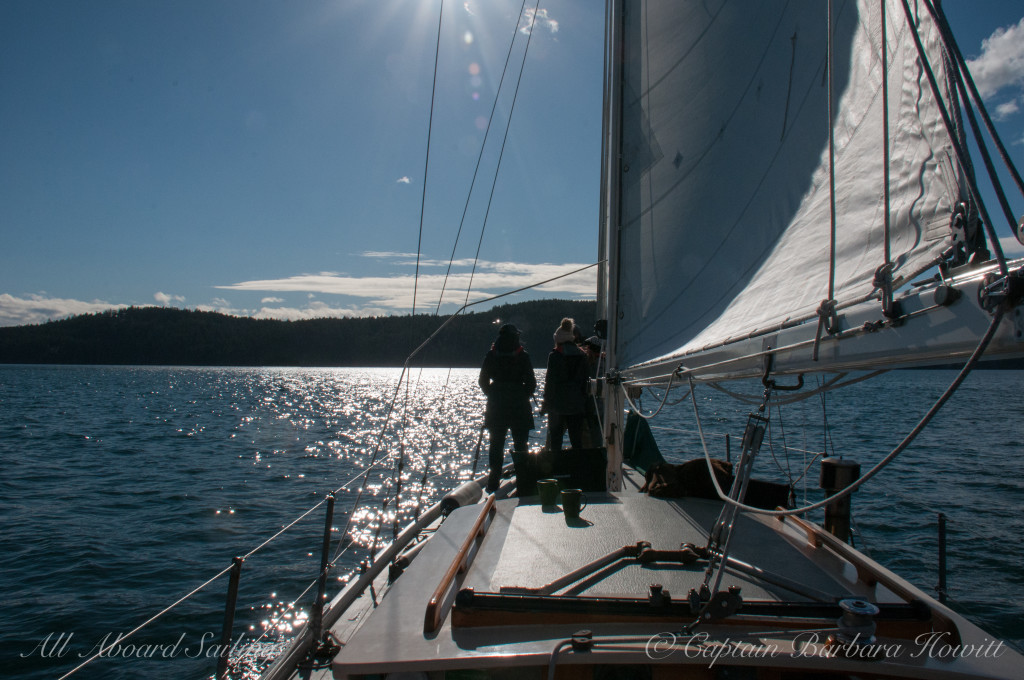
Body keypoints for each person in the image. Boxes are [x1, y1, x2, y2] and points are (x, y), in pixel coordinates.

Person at [478, 323, 536, 492]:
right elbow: (532, 383)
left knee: (496, 443)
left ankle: (493, 480)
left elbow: (482, 381)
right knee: (520, 444)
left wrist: (493, 393)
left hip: (496, 406)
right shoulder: (522, 356)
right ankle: (523, 480)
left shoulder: (491, 355)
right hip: (519, 406)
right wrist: (521, 394)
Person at [541, 318, 589, 452]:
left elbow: (550, 382)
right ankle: (578, 469)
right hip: (577, 404)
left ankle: (556, 468)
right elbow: (585, 382)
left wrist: (546, 402)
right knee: (576, 441)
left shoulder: (555, 356)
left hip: (558, 405)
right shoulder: (582, 355)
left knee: (555, 441)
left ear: (558, 339)